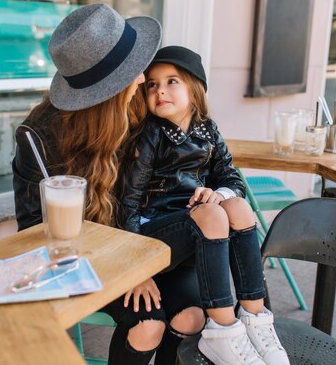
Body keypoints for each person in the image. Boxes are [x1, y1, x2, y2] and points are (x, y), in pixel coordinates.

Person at [12, 4, 206, 365]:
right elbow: (34, 229)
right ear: (105, 91)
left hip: (151, 241)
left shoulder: (140, 109)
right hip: (88, 257)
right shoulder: (39, 138)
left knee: (191, 317)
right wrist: (125, 266)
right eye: (134, 72)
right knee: (149, 325)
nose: (141, 79)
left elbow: (184, 163)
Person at [121, 46, 290, 365]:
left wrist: (221, 193)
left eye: (172, 81)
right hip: (154, 236)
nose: (159, 90)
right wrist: (135, 267)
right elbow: (128, 202)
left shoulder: (208, 131)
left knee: (238, 207)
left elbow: (231, 176)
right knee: (213, 212)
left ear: (194, 90)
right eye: (152, 84)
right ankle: (223, 329)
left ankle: (255, 319)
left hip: (196, 235)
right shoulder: (150, 136)